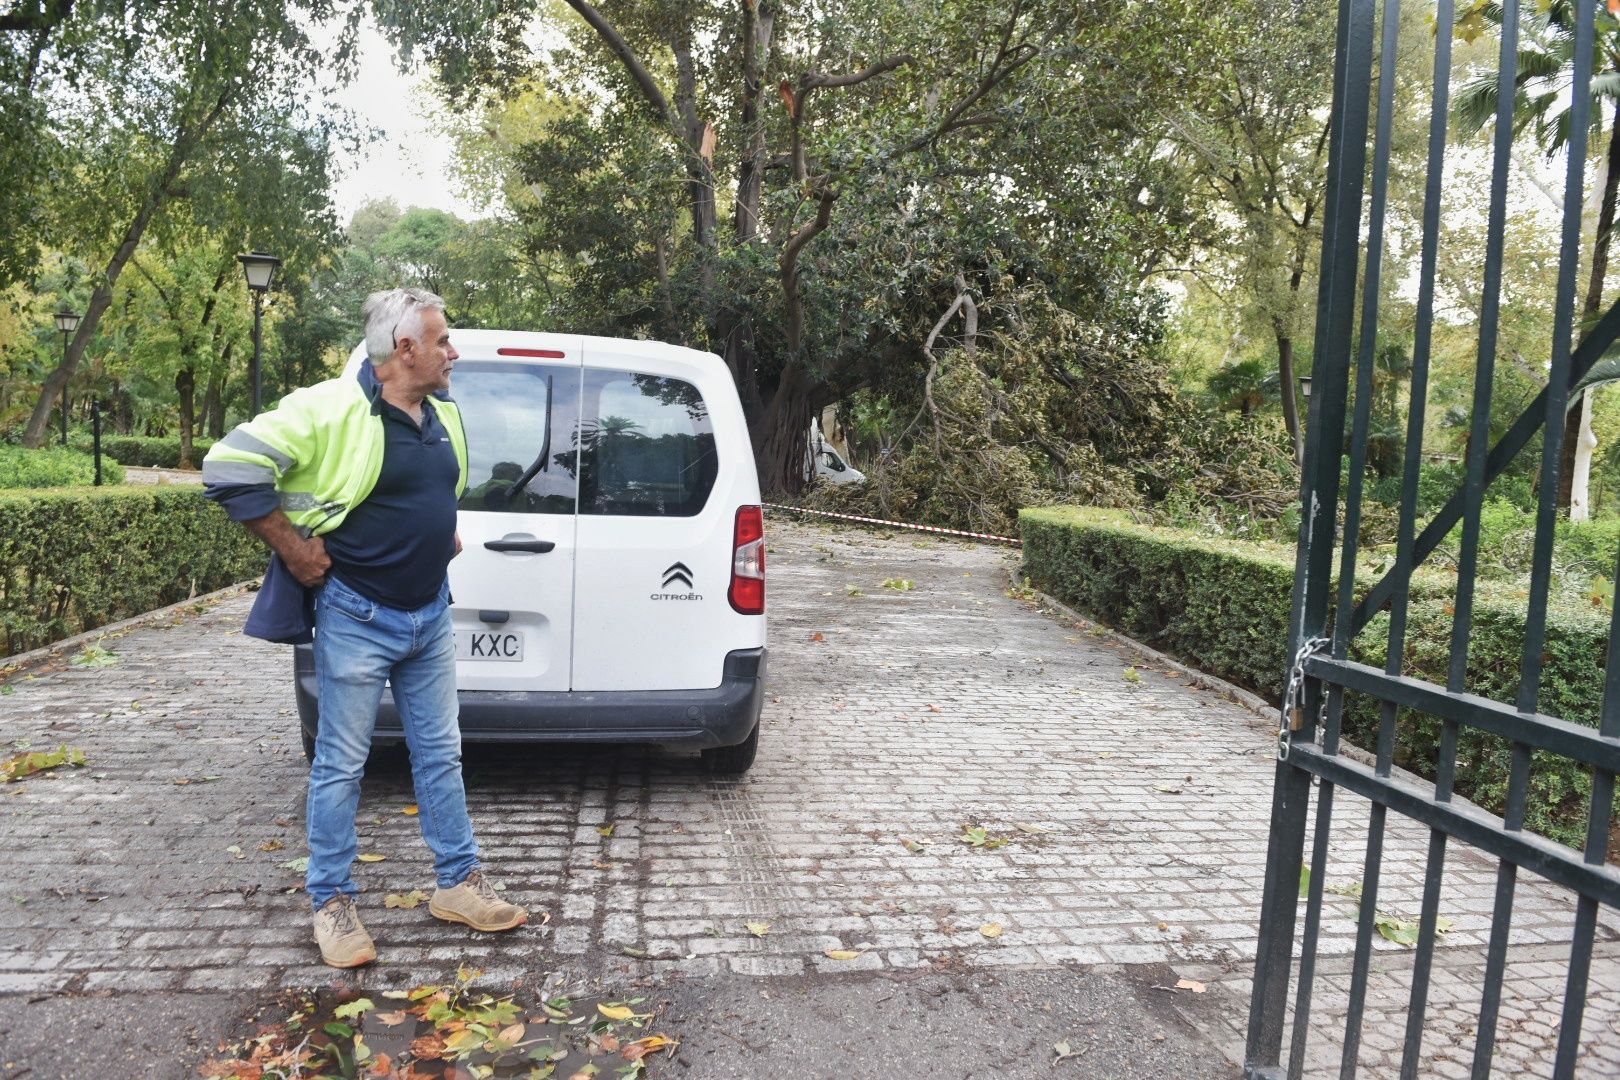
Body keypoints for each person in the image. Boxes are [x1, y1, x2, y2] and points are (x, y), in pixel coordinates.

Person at [202, 286, 527, 969]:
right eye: (442, 340)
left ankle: (458, 884)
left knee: (440, 754)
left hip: (429, 612)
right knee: (341, 764)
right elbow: (228, 466)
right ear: (405, 348)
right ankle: (332, 902)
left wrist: (439, 533)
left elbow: (432, 488)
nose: (453, 352)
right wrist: (294, 548)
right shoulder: (330, 407)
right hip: (357, 616)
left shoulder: (442, 412)